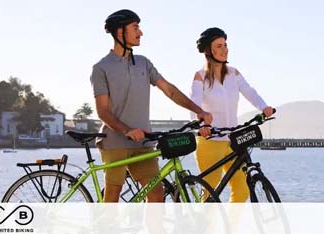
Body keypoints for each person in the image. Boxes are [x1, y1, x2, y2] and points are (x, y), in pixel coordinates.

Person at [90, 9, 212, 202]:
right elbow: (103, 111)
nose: (140, 33)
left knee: (156, 195)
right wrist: (127, 130)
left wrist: (199, 111)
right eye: (135, 27)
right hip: (115, 141)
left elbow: (169, 90)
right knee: (112, 194)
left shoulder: (143, 63)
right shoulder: (101, 68)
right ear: (120, 32)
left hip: (144, 141)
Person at [190, 27, 273, 202]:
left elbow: (249, 91)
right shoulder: (200, 77)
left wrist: (264, 107)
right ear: (208, 50)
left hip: (233, 140)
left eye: (225, 45)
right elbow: (194, 105)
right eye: (219, 46)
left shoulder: (234, 74)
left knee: (242, 190)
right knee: (209, 195)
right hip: (210, 141)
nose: (225, 49)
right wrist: (202, 126)